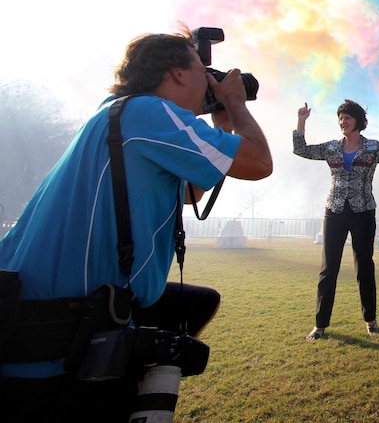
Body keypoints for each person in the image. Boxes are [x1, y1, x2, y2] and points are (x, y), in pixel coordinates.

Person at [0, 25, 273, 421]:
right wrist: (236, 102)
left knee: (195, 302)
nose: (209, 82)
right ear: (177, 73)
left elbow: (190, 195)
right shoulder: (148, 113)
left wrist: (222, 127)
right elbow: (260, 163)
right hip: (59, 338)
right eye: (202, 70)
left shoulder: (116, 112)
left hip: (33, 316)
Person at [295, 99, 379, 341]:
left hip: (363, 211)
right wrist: (301, 122)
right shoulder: (331, 147)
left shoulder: (373, 148)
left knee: (364, 267)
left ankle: (371, 321)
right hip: (334, 211)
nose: (343, 122)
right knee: (328, 269)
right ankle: (320, 325)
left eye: (347, 118)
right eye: (341, 118)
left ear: (358, 122)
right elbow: (301, 149)